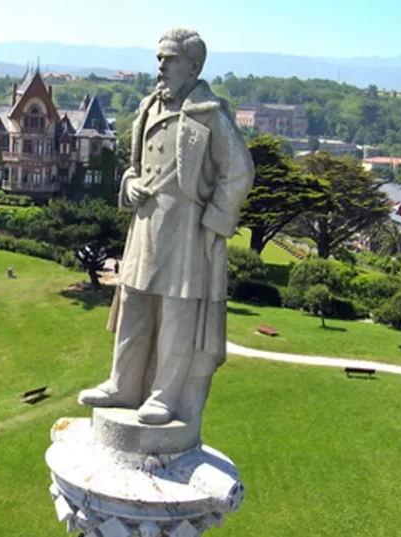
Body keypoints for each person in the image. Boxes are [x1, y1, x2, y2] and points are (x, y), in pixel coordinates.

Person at [78, 27, 255, 425]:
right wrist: (129, 184)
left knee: (177, 312)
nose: (161, 65)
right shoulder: (147, 108)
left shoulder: (211, 114)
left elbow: (239, 172)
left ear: (193, 66)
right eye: (159, 57)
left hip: (186, 229)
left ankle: (164, 396)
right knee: (133, 304)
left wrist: (213, 222)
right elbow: (135, 167)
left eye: (170, 58)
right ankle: (123, 385)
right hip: (144, 226)